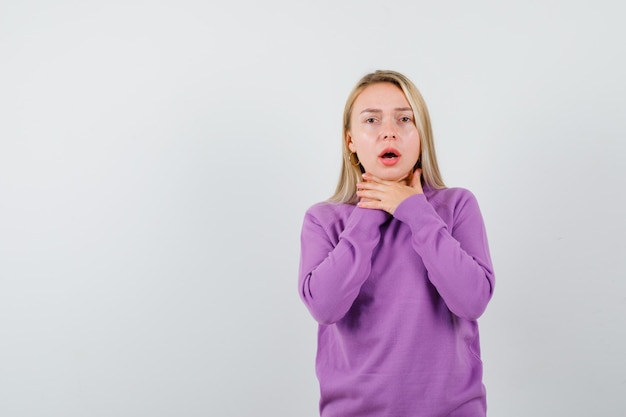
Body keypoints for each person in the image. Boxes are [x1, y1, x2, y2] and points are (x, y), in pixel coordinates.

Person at [298, 70, 495, 417]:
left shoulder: (457, 206)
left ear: (421, 136)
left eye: (404, 119)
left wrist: (414, 210)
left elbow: (472, 300)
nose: (389, 130)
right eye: (371, 120)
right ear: (351, 141)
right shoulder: (323, 220)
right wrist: (369, 210)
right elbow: (325, 308)